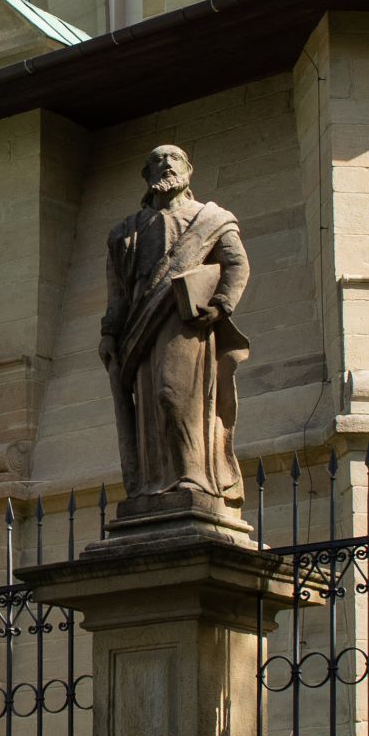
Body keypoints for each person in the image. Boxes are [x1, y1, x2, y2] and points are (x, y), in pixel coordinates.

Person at [99, 145, 252, 524]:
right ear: (146, 174)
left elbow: (236, 264)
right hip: (138, 331)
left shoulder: (211, 219)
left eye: (175, 159)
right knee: (148, 406)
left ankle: (194, 476)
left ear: (188, 169)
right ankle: (153, 484)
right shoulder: (124, 232)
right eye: (157, 160)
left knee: (174, 395)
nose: (166, 164)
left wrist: (222, 304)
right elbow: (118, 292)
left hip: (185, 325)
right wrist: (109, 333)